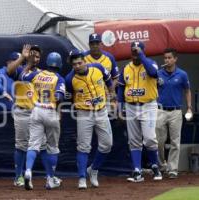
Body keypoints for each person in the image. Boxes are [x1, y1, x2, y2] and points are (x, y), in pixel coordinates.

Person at [7, 45, 61, 187]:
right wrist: (23, 58)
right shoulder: (21, 69)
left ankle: (50, 176)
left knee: (43, 146)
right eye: (32, 55)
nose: (35, 58)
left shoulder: (42, 73)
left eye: (37, 56)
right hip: (22, 111)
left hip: (38, 112)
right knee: (21, 145)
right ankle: (18, 176)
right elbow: (9, 71)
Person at [65, 49, 114, 189]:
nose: (77, 66)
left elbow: (109, 82)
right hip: (84, 114)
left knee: (107, 144)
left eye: (79, 62)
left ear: (85, 61)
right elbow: (69, 98)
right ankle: (81, 178)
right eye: (74, 64)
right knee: (83, 146)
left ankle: (93, 170)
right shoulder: (70, 79)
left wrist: (112, 97)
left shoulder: (98, 68)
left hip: (101, 111)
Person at [117, 41, 162, 182]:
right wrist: (119, 109)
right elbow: (120, 90)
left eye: (137, 51)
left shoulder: (151, 63)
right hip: (131, 106)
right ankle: (137, 171)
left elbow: (154, 73)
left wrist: (141, 55)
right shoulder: (126, 68)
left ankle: (155, 166)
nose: (134, 53)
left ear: (142, 51)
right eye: (133, 51)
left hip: (147, 105)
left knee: (149, 139)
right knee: (134, 141)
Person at [22, 52, 65, 190]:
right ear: (59, 64)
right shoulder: (59, 78)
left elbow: (23, 76)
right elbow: (59, 97)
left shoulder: (36, 74)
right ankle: (50, 180)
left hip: (36, 110)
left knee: (33, 144)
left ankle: (28, 170)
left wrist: (28, 64)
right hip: (51, 112)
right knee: (52, 147)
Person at [156, 48, 192, 178]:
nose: (167, 60)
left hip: (176, 111)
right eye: (165, 58)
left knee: (175, 142)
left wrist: (189, 107)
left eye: (169, 58)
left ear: (175, 59)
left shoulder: (182, 74)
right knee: (158, 141)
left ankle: (173, 169)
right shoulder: (158, 74)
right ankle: (161, 166)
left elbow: (187, 90)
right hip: (160, 110)